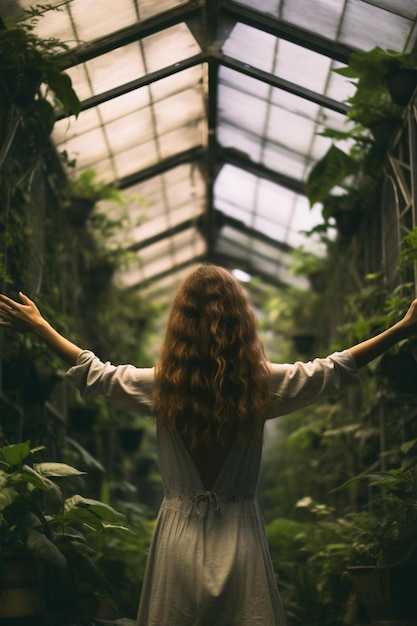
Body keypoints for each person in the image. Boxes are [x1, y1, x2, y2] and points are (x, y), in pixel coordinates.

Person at [1, 263, 417, 626]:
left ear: (180, 321)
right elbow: (332, 369)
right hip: (240, 532)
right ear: (241, 322)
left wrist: (41, 327)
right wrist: (400, 329)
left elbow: (98, 375)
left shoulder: (163, 386)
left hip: (178, 535)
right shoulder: (261, 385)